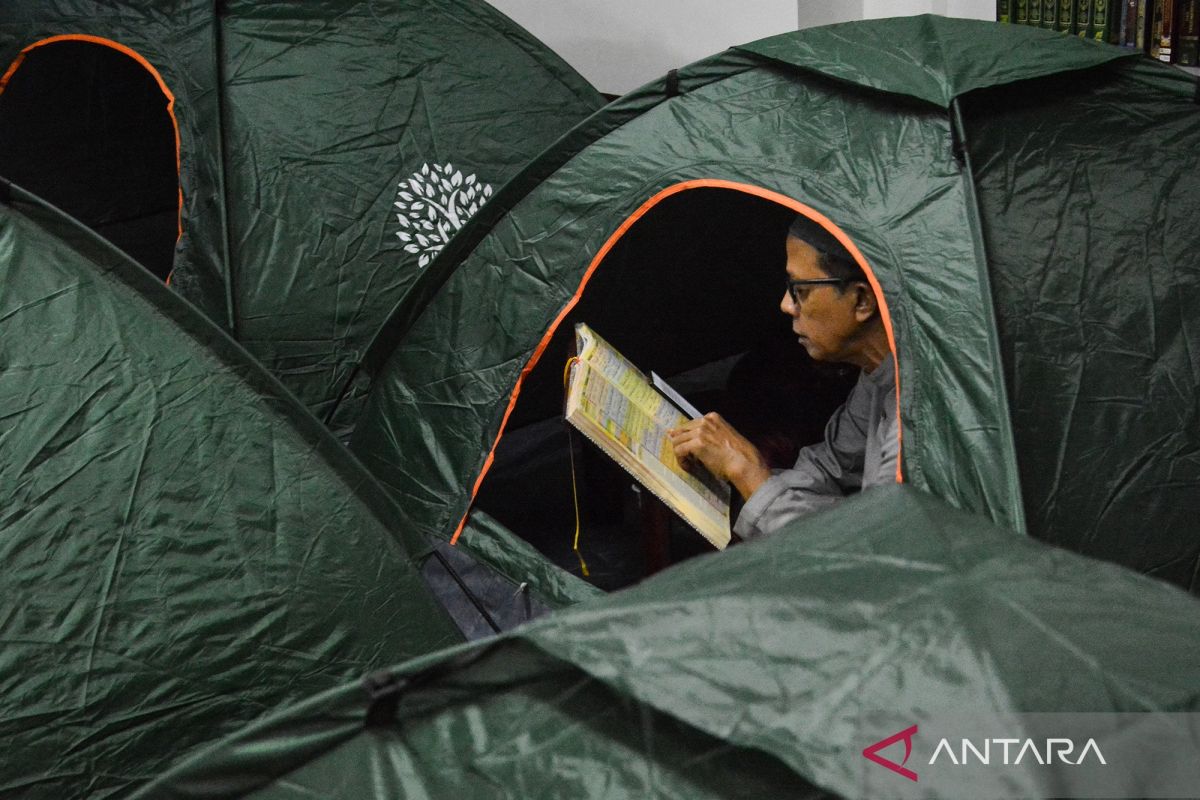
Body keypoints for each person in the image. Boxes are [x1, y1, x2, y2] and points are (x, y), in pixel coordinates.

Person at [668, 214, 897, 540]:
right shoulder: (880, 374)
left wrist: (748, 474)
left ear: (861, 300)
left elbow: (876, 555)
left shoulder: (918, 420)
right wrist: (728, 474)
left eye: (800, 290)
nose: (786, 305)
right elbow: (830, 468)